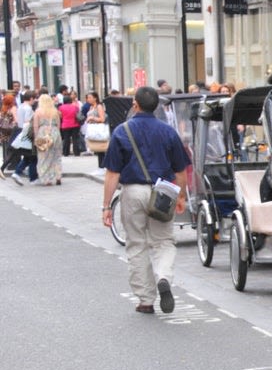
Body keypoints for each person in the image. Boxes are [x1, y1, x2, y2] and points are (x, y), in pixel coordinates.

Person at [101, 86, 191, 314]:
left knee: (136, 244)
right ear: (157, 106)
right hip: (162, 192)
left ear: (135, 104)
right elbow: (180, 170)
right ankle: (163, 277)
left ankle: (146, 299)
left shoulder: (122, 131)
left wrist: (106, 206)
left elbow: (113, 173)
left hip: (132, 191)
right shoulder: (168, 132)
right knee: (163, 241)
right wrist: (180, 195)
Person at [32, 94, 63, 186]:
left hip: (42, 133)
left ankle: (46, 179)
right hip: (55, 133)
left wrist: (36, 136)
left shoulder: (38, 111)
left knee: (43, 157)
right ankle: (58, 176)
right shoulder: (55, 111)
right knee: (57, 156)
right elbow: (58, 125)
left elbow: (35, 125)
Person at [59, 90, 85, 156]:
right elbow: (78, 115)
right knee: (75, 139)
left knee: (66, 139)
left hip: (65, 125)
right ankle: (76, 152)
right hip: (75, 124)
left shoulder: (61, 107)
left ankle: (65, 152)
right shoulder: (75, 107)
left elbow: (60, 116)